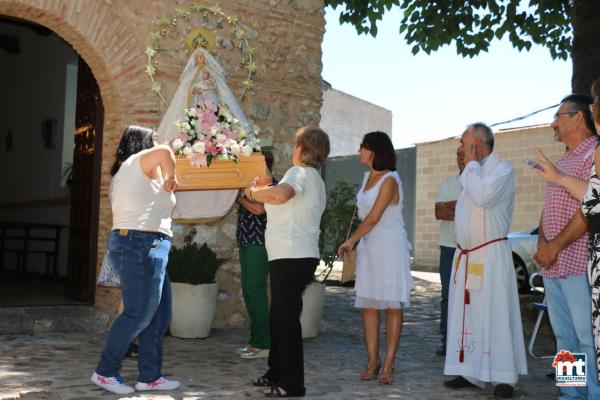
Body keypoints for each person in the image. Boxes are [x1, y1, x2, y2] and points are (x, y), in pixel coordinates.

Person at [90, 126, 179, 395]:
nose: (158, 144)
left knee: (159, 315)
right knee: (138, 313)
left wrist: (168, 177)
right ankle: (105, 372)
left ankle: (150, 377)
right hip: (140, 244)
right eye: (153, 140)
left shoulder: (132, 171)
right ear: (144, 143)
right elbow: (165, 151)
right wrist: (172, 176)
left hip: (149, 245)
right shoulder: (136, 163)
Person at [244, 126, 330, 398]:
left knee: (286, 320)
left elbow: (280, 196)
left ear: (304, 149)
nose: (293, 150)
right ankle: (275, 372)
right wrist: (261, 190)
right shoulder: (312, 178)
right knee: (280, 316)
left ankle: (292, 384)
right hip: (294, 255)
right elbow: (266, 207)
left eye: (296, 145)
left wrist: (254, 190)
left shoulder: (299, 173)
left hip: (291, 256)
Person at [443, 123, 527, 399]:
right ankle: (470, 371)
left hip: (490, 256)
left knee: (496, 313)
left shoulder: (502, 170)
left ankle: (504, 376)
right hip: (468, 256)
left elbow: (484, 195)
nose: (460, 150)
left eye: (464, 144)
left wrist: (471, 166)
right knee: (469, 315)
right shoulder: (472, 172)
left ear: (478, 145)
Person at [532, 93, 600, 399]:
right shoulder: (562, 160)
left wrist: (555, 246)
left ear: (578, 117)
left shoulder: (594, 155)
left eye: (559, 116)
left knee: (589, 340)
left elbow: (589, 210)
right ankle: (571, 395)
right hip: (554, 266)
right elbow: (549, 208)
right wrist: (542, 243)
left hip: (579, 265)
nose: (553, 123)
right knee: (564, 338)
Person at [337, 131, 414, 385]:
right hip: (370, 247)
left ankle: (389, 363)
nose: (359, 150)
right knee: (369, 305)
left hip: (390, 247)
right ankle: (373, 359)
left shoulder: (391, 179)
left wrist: (350, 240)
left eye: (363, 147)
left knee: (392, 306)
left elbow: (373, 217)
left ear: (374, 151)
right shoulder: (366, 177)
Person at [236, 151, 276, 360]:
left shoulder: (268, 183)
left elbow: (260, 210)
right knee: (250, 291)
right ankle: (256, 341)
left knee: (255, 290)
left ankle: (264, 343)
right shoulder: (254, 184)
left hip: (258, 243)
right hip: (247, 241)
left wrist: (239, 198)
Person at [434, 149, 464, 356]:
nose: (461, 158)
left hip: (474, 249)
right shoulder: (447, 183)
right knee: (448, 296)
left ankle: (572, 382)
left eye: (465, 153)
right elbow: (439, 212)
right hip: (449, 248)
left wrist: (454, 207)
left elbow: (479, 214)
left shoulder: (485, 183)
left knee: (469, 297)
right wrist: (465, 208)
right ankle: (447, 342)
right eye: (458, 155)